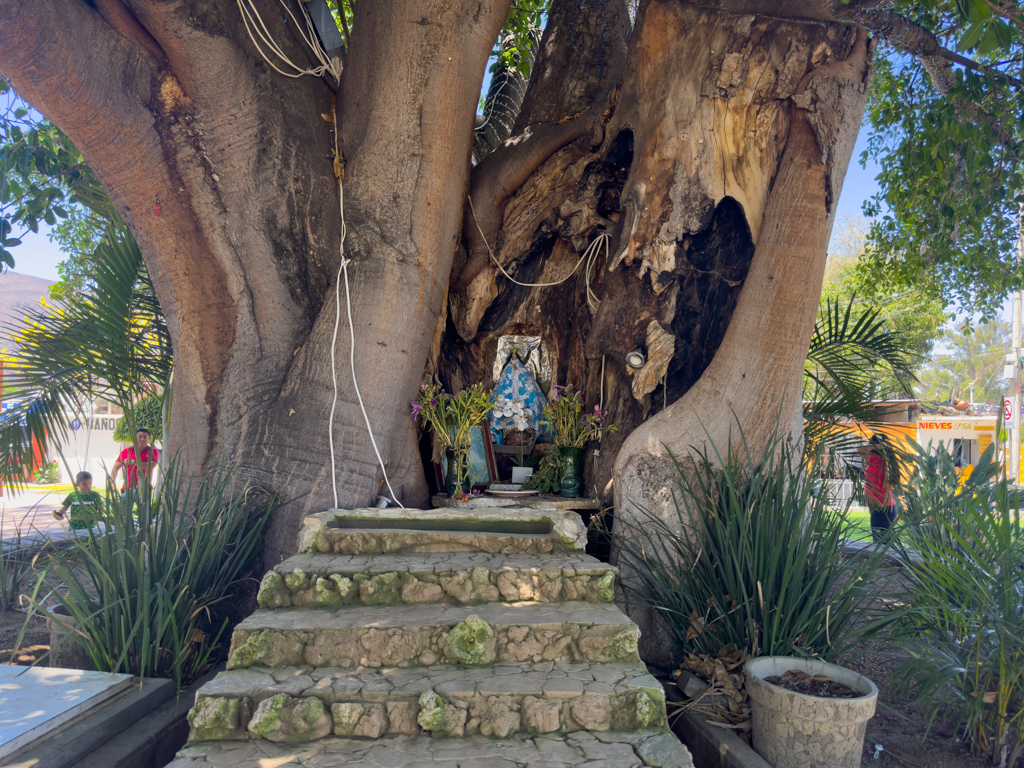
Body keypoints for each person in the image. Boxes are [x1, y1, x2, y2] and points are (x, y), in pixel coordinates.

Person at [110, 427, 160, 497]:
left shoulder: (153, 451)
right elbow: (115, 468)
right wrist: (112, 484)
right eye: (140, 437)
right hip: (127, 488)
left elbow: (151, 466)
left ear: (148, 439)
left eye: (145, 437)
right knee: (122, 507)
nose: (142, 439)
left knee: (144, 508)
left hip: (144, 489)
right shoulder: (126, 451)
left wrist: (133, 462)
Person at [865, 436, 897, 541]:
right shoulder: (886, 460)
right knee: (884, 543)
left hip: (882, 508)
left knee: (880, 545)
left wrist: (882, 444)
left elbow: (859, 450)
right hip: (883, 507)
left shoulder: (878, 460)